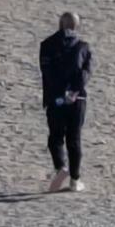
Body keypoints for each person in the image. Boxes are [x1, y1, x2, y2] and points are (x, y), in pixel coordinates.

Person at [39, 12, 92, 193]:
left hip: (55, 99)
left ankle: (60, 167)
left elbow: (47, 72)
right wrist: (74, 91)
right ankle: (75, 180)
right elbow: (85, 73)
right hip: (77, 100)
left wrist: (60, 92)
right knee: (74, 139)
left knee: (55, 137)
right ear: (76, 26)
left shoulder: (46, 45)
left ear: (60, 24)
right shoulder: (83, 47)